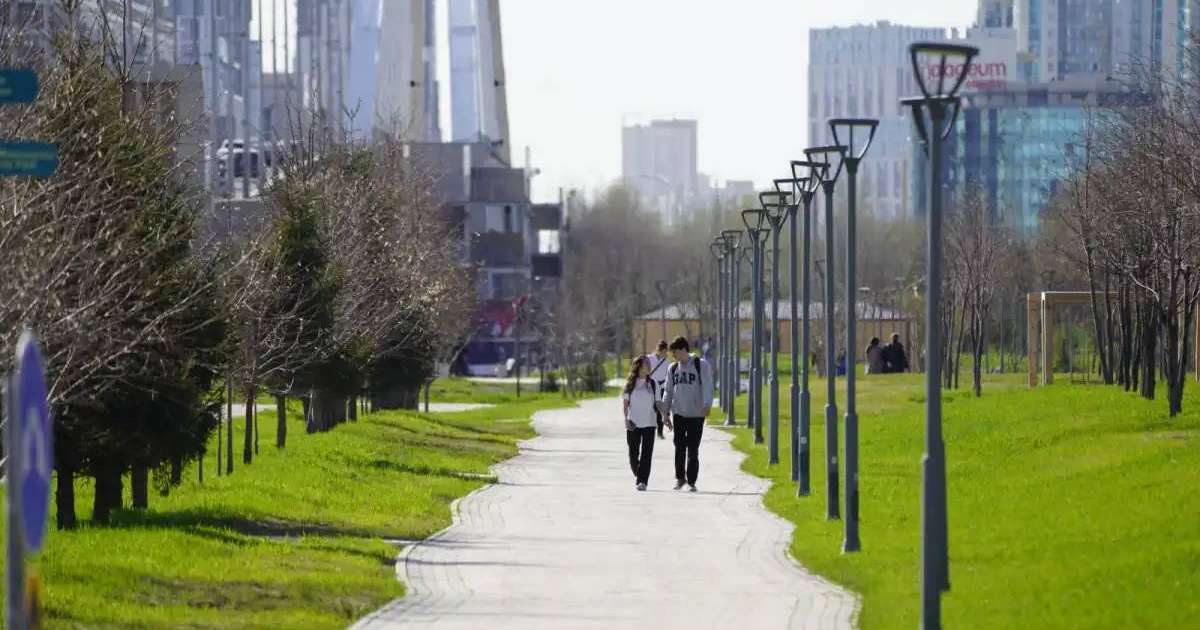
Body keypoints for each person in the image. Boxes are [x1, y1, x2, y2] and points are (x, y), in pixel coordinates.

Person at [660, 336, 714, 492]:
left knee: (693, 448)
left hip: (696, 414)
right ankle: (680, 478)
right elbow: (668, 391)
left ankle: (691, 481)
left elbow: (708, 386)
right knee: (679, 447)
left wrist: (707, 405)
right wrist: (665, 413)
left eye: (675, 353)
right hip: (679, 413)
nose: (674, 356)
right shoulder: (673, 368)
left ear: (683, 350)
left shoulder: (700, 365)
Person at [622, 356, 663, 491]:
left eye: (649, 363)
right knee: (633, 455)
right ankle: (638, 473)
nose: (649, 366)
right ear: (639, 366)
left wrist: (666, 416)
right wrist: (626, 419)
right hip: (633, 423)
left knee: (646, 454)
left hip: (650, 423)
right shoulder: (630, 384)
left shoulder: (653, 384)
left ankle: (642, 481)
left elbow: (658, 403)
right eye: (646, 363)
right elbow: (626, 405)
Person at [645, 340, 672, 439]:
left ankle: (660, 432)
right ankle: (649, 430)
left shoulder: (667, 362)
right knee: (650, 409)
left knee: (660, 409)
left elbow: (668, 376)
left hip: (661, 387)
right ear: (660, 350)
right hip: (650, 386)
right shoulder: (649, 358)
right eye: (665, 351)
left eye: (666, 351)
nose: (666, 353)